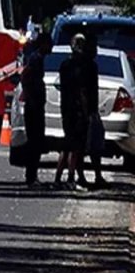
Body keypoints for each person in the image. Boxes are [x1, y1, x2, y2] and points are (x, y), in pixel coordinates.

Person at [55, 34, 88, 189]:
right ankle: (69, 178)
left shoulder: (65, 65)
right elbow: (80, 91)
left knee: (67, 145)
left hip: (66, 108)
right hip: (74, 110)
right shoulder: (77, 66)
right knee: (74, 147)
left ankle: (59, 178)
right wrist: (85, 109)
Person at [21, 32, 52, 186]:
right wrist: (31, 97)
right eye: (49, 43)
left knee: (36, 141)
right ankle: (30, 176)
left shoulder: (37, 59)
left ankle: (32, 175)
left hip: (36, 105)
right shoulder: (35, 59)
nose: (51, 46)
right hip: (33, 107)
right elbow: (26, 76)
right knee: (34, 141)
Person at [78, 36, 107, 187]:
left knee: (96, 144)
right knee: (84, 145)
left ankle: (97, 175)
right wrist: (86, 112)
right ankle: (81, 176)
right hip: (87, 112)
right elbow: (83, 90)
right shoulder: (86, 66)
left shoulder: (90, 65)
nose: (95, 51)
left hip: (92, 110)